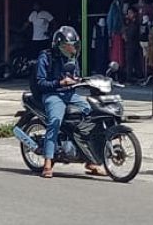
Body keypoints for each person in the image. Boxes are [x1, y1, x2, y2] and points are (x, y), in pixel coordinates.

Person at [32, 25, 104, 179]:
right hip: (52, 95)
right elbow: (40, 83)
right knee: (55, 122)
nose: (71, 49)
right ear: (58, 45)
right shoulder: (45, 57)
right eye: (67, 46)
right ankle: (48, 161)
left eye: (73, 46)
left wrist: (79, 80)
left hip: (70, 95)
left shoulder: (72, 58)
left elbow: (76, 75)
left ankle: (90, 159)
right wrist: (60, 83)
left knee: (91, 115)